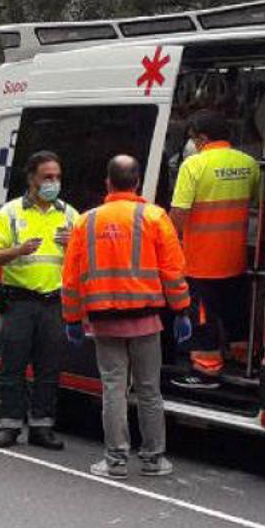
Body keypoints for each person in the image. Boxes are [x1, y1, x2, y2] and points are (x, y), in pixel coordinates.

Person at [62, 155, 191, 478]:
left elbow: (71, 277)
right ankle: (153, 459)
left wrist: (72, 318)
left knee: (113, 389)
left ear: (108, 182)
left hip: (104, 320)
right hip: (148, 320)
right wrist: (181, 310)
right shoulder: (155, 216)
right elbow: (173, 270)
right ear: (137, 183)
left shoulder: (87, 221)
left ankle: (115, 460)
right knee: (149, 389)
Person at [0, 151, 78, 449]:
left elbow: (85, 259)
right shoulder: (11, 213)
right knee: (13, 365)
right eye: (47, 177)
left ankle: (42, 427)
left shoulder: (69, 215)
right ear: (32, 178)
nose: (53, 182)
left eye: (57, 177)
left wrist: (74, 245)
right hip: (20, 301)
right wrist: (18, 251)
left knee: (48, 368)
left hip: (53, 302)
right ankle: (9, 426)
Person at [168, 110, 260, 389]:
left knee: (203, 317)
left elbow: (179, 213)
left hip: (201, 261)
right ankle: (243, 359)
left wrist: (167, 242)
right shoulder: (250, 163)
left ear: (202, 138)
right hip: (235, 257)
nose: (191, 144)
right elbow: (256, 201)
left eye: (193, 139)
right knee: (236, 313)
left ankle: (206, 371)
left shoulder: (193, 165)